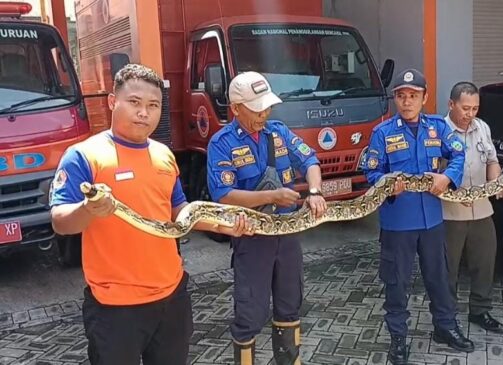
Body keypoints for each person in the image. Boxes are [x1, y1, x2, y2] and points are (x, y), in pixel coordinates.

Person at [49, 63, 253, 365]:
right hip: (115, 306)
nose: (144, 113)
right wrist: (88, 208)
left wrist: (225, 224)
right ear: (111, 101)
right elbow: (60, 222)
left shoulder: (163, 154)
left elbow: (178, 212)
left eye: (153, 105)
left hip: (171, 298)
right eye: (134, 103)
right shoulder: (84, 155)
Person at [206, 71, 327, 365]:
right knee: (251, 311)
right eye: (257, 108)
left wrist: (314, 191)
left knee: (290, 304)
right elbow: (223, 194)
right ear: (236, 108)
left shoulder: (279, 132)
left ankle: (289, 360)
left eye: (268, 107)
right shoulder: (221, 143)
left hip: (286, 235)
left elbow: (310, 159)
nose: (265, 114)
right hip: (251, 238)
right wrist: (271, 197)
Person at [361, 68, 474, 364]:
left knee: (439, 277)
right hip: (398, 222)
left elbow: (459, 154)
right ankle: (398, 339)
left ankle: (445, 327)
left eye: (413, 96)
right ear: (395, 99)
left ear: (424, 98)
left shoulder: (438, 127)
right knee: (397, 282)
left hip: (432, 220)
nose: (407, 101)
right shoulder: (382, 133)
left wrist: (447, 177)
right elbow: (371, 172)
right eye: (401, 96)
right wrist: (386, 186)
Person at [443, 81, 503, 333]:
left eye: (475, 108)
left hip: (481, 209)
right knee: (448, 268)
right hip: (450, 213)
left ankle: (480, 311)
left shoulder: (482, 127)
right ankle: (446, 318)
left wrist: (496, 181)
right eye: (465, 108)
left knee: (484, 263)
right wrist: (453, 193)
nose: (470, 114)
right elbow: (433, 172)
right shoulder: (438, 132)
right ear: (451, 104)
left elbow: (491, 160)